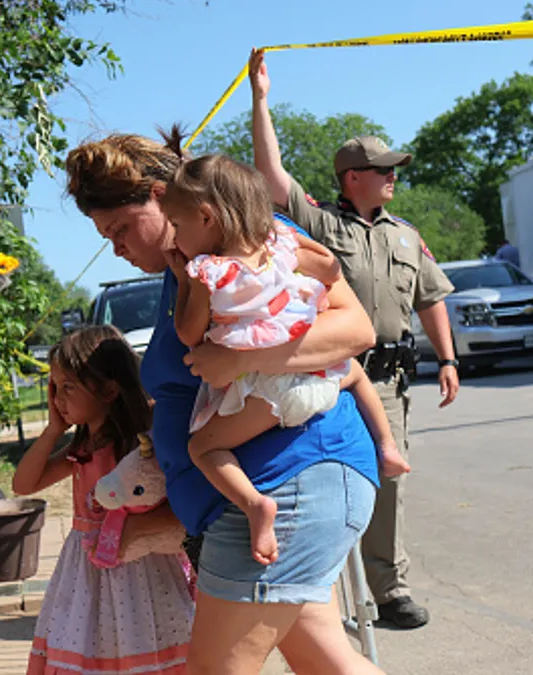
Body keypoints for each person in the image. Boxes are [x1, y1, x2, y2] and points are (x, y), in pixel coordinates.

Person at [66, 129, 386, 674]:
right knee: (329, 665)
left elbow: (356, 330)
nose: (116, 246)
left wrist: (245, 360)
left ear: (162, 195)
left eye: (120, 228)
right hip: (253, 497)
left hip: (290, 481)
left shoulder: (249, 241)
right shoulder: (187, 271)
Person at [249, 48, 460, 629]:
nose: (393, 177)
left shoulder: (405, 235)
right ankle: (324, 594)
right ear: (352, 177)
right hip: (333, 375)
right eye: (383, 169)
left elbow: (431, 297)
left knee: (388, 482)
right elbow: (272, 178)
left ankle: (388, 590)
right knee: (324, 480)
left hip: (389, 379)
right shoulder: (321, 225)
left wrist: (447, 358)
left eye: (394, 168)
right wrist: (260, 100)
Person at [163, 153, 409, 565]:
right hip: (319, 371)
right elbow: (330, 269)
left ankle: (255, 506)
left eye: (176, 225)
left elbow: (188, 333)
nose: (174, 238)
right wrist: (295, 252)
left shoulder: (206, 270)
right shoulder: (282, 246)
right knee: (354, 372)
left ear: (207, 217)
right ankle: (387, 446)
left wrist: (182, 282)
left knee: (203, 449)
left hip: (268, 390)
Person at [12, 325, 193, 675]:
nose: (58, 399)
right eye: (53, 388)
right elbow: (24, 484)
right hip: (84, 574)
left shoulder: (137, 447)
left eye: (67, 387)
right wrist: (52, 430)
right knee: (90, 646)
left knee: (142, 644)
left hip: (141, 568)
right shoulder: (80, 448)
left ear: (109, 389)